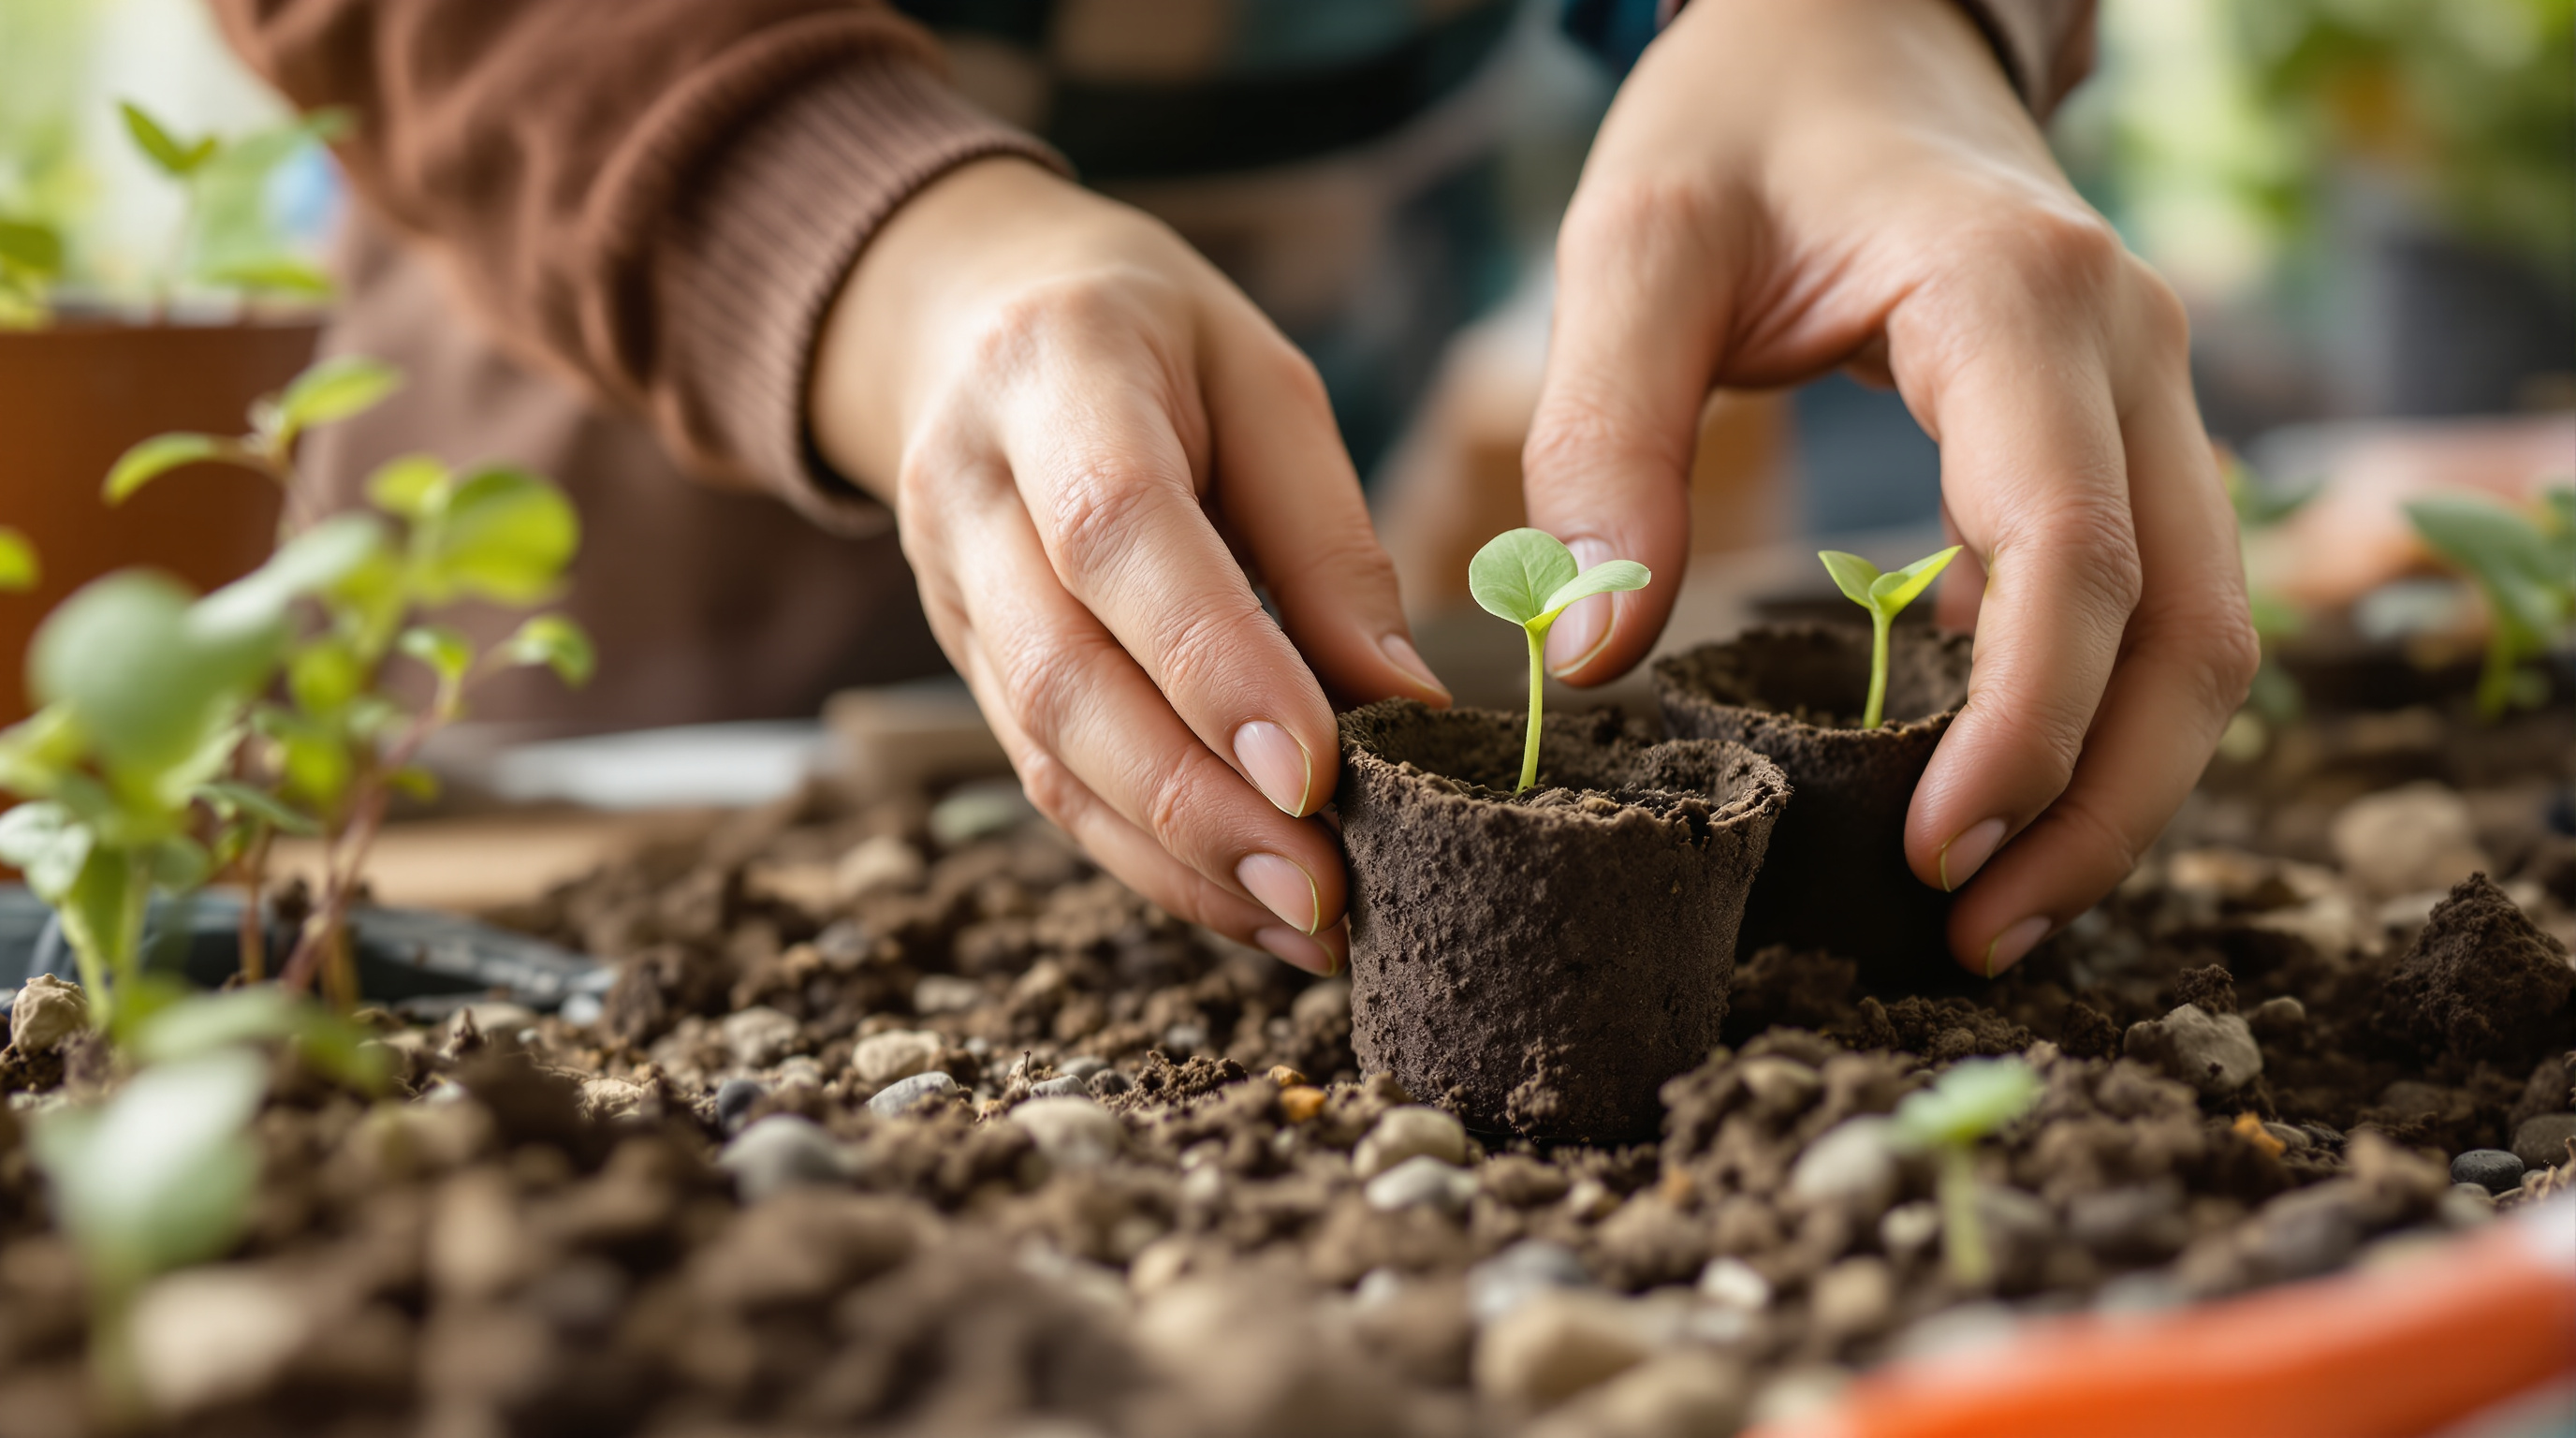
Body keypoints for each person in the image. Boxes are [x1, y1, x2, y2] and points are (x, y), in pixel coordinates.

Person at [212, 0, 2257, 982]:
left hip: (1318, 240)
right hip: (618, 279)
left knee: (1257, 668)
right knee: (572, 948)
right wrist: (876, 246)